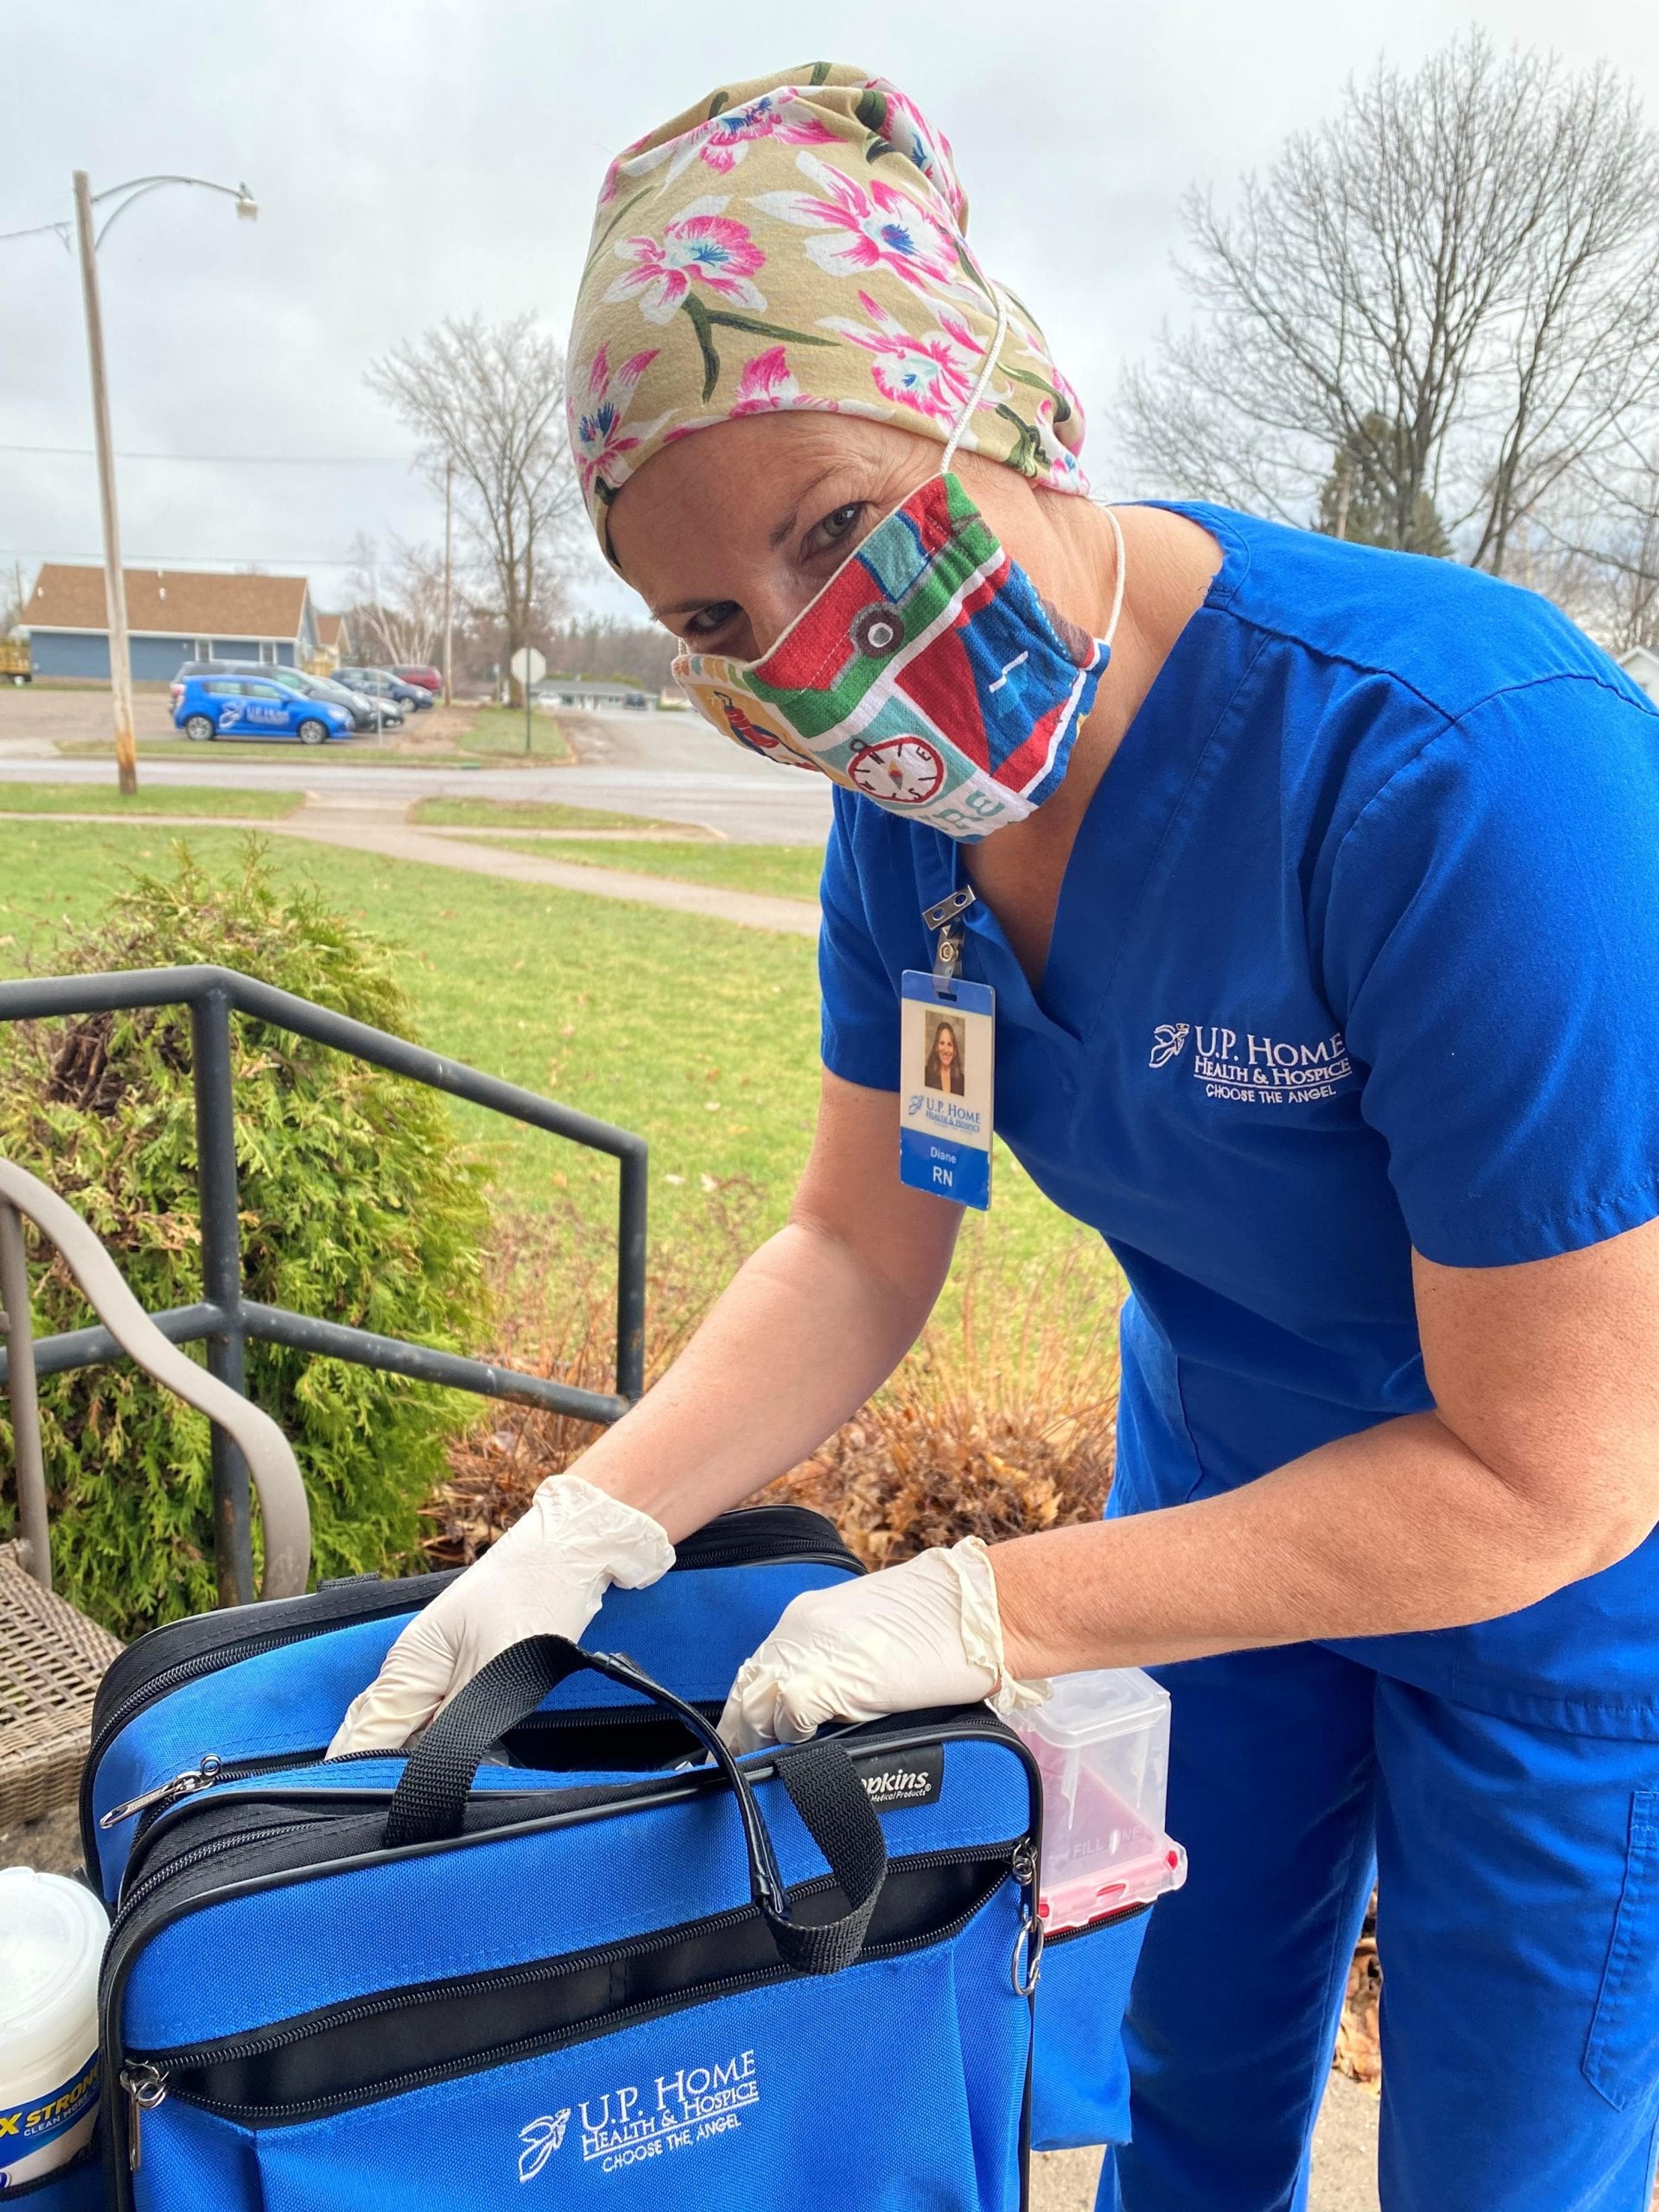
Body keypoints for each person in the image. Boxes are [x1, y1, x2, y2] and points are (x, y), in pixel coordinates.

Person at [333, 65, 1659, 2212]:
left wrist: (976, 1610)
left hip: (1558, 1578)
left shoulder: (1468, 775)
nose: (808, 662)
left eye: (838, 524)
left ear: (1008, 405)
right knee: (1170, 2099)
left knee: (1504, 2166)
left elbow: (1554, 1466)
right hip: (1220, 1512)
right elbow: (864, 1246)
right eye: (712, 624)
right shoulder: (912, 831)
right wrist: (578, 1530)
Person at [925, 1015, 964, 1095]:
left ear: (955, 1051)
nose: (946, 1050)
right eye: (942, 1043)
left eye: (950, 1044)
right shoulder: (925, 1075)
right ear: (936, 1047)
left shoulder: (962, 1081)